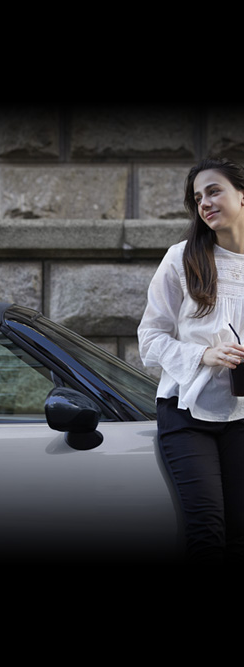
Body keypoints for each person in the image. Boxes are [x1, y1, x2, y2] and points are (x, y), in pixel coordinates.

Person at [138, 156, 244, 562]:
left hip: (241, 413)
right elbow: (149, 339)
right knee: (206, 531)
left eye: (214, 190)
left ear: (241, 194)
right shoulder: (182, 259)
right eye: (198, 197)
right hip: (187, 414)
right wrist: (205, 353)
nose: (204, 202)